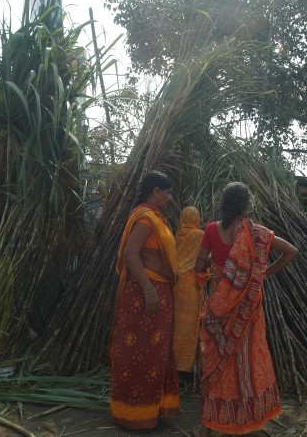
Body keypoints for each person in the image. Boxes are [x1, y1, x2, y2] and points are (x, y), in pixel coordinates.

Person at [192, 182, 298, 437]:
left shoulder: (210, 230)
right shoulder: (257, 233)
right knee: (246, 361)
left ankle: (209, 426)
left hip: (218, 308)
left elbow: (198, 267)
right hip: (247, 311)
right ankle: (245, 420)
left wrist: (216, 263)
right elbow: (292, 251)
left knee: (216, 363)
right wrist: (263, 273)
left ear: (224, 204)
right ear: (246, 205)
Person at [109, 170, 179, 430]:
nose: (170, 197)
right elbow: (131, 253)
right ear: (155, 191)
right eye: (167, 192)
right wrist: (149, 290)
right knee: (138, 353)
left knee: (155, 354)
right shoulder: (146, 218)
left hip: (157, 293)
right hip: (144, 295)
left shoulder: (157, 218)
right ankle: (133, 414)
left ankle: (151, 409)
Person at [172, 206, 209, 382]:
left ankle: (169, 367)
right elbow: (204, 260)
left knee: (174, 326)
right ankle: (182, 370)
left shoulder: (177, 236)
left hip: (175, 284)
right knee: (187, 327)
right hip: (190, 286)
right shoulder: (199, 235)